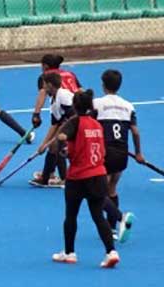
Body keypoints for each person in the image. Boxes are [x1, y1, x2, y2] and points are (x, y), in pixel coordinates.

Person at [52, 89, 120, 269]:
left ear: (75, 105)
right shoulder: (96, 125)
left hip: (79, 176)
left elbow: (61, 136)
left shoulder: (74, 122)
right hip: (98, 174)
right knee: (98, 216)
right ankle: (111, 252)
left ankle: (69, 252)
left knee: (71, 215)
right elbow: (101, 150)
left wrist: (63, 149)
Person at [94, 69, 146, 242]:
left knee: (98, 192)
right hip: (122, 151)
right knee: (112, 188)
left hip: (105, 151)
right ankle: (112, 229)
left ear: (103, 85)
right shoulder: (128, 106)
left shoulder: (97, 104)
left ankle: (119, 217)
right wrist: (138, 153)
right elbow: (135, 132)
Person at [30, 72, 75, 187]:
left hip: (79, 124)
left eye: (44, 85)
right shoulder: (53, 101)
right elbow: (54, 125)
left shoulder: (64, 96)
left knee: (59, 143)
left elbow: (72, 117)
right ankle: (45, 179)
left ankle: (65, 179)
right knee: (52, 146)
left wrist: (58, 135)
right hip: (70, 125)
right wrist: (43, 144)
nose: (43, 88)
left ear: (50, 85)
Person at [31, 54, 81, 129]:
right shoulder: (70, 74)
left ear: (45, 66)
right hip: (79, 106)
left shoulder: (45, 76)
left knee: (60, 129)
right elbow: (80, 90)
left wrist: (36, 114)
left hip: (66, 108)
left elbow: (42, 94)